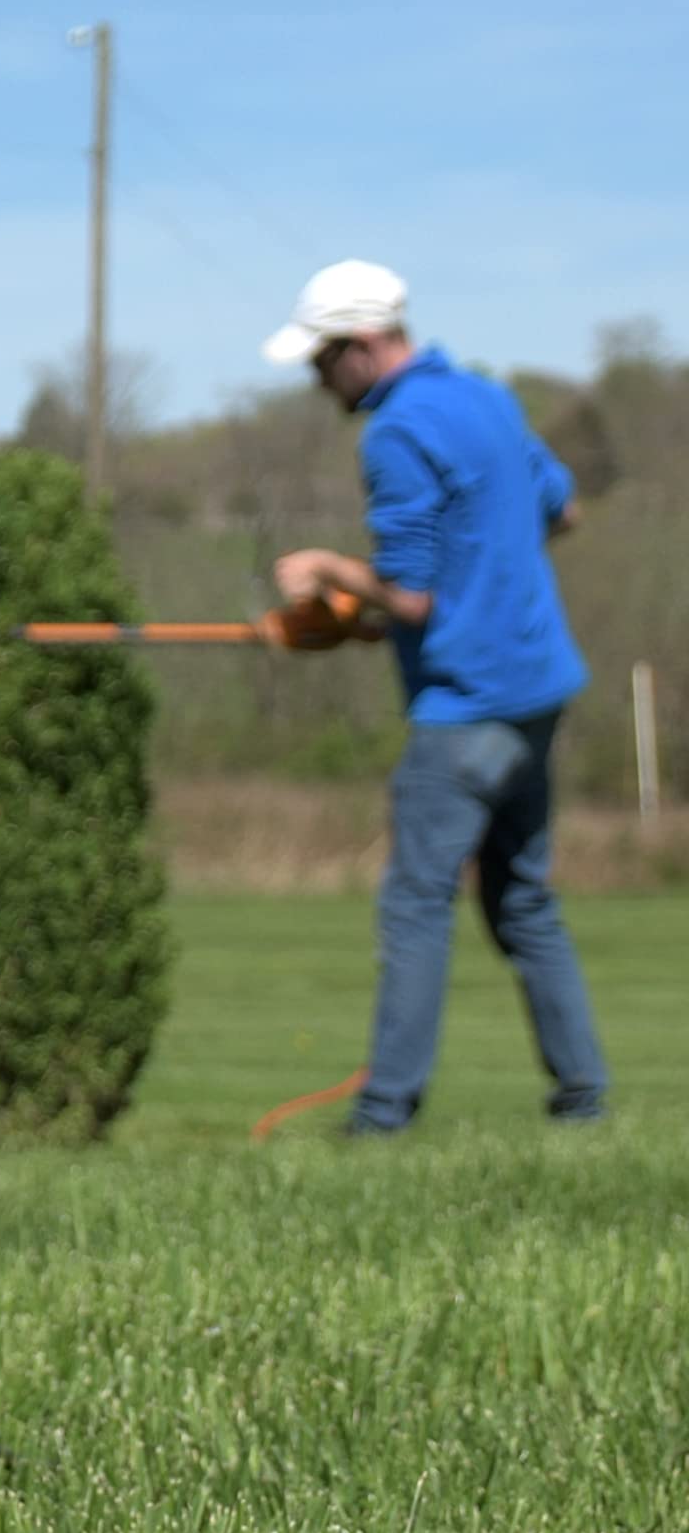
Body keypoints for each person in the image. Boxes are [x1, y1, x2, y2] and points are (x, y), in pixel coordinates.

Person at [261, 259, 607, 1132]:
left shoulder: (395, 431)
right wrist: (425, 609)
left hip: (467, 708)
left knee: (417, 902)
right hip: (538, 690)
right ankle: (584, 1102)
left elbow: (413, 592)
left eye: (322, 359)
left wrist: (333, 571)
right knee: (523, 899)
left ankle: (382, 1116)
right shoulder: (488, 398)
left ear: (365, 346)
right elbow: (560, 514)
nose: (316, 378)